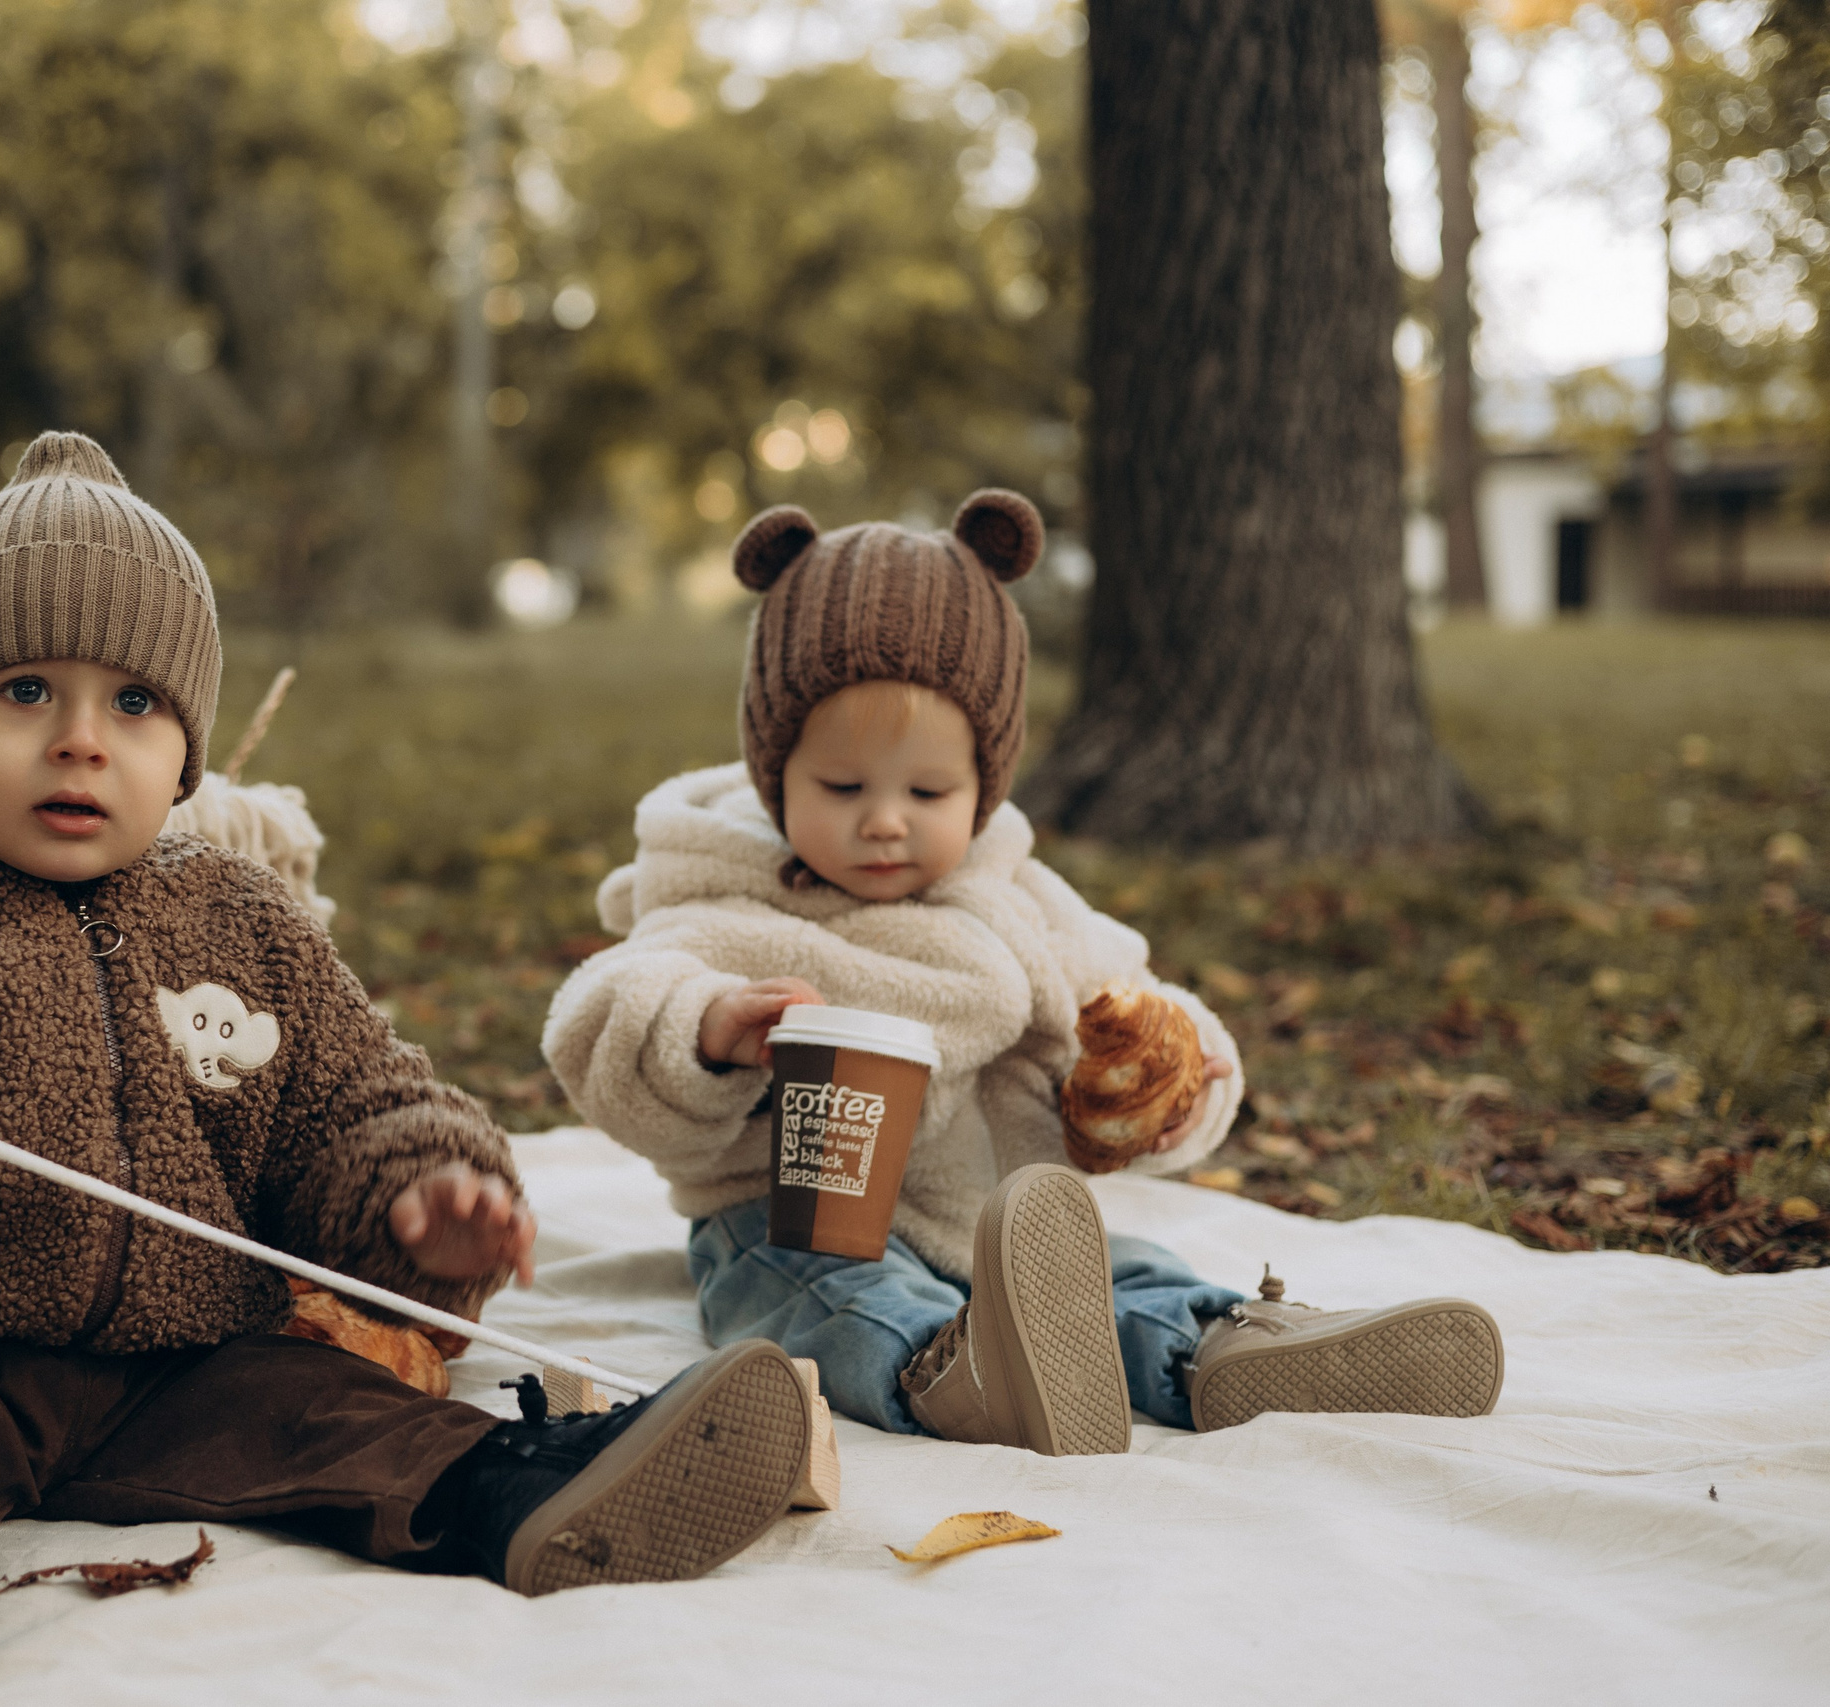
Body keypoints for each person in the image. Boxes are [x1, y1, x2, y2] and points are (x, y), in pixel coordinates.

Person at [0, 433, 812, 1696]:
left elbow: (360, 1098)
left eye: (132, 702)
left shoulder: (241, 918)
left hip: (188, 1361)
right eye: (26, 692)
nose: (81, 739)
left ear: (186, 755)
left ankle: (526, 1492)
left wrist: (424, 1195)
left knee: (344, 1413)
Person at [545, 490, 1503, 1454]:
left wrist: (1173, 1079)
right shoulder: (726, 896)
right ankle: (954, 1371)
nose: (885, 819)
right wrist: (709, 1026)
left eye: (929, 790)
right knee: (826, 1298)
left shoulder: (1015, 897)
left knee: (1120, 1271)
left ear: (987, 781)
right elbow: (603, 1013)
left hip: (995, 1228)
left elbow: (1129, 1000)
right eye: (841, 788)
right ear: (773, 771)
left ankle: (1224, 1352)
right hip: (791, 1221)